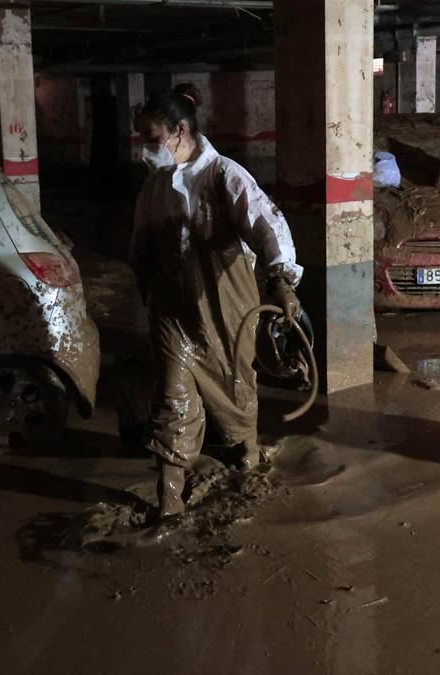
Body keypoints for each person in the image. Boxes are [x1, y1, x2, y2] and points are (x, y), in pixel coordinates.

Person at [129, 83, 302, 519]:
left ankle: (247, 452)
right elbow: (141, 244)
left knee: (234, 383)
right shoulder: (154, 188)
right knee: (173, 399)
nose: (146, 150)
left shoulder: (224, 175)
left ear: (179, 130)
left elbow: (267, 227)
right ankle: (169, 501)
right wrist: (146, 289)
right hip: (172, 308)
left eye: (152, 139)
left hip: (225, 301)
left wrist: (281, 279)